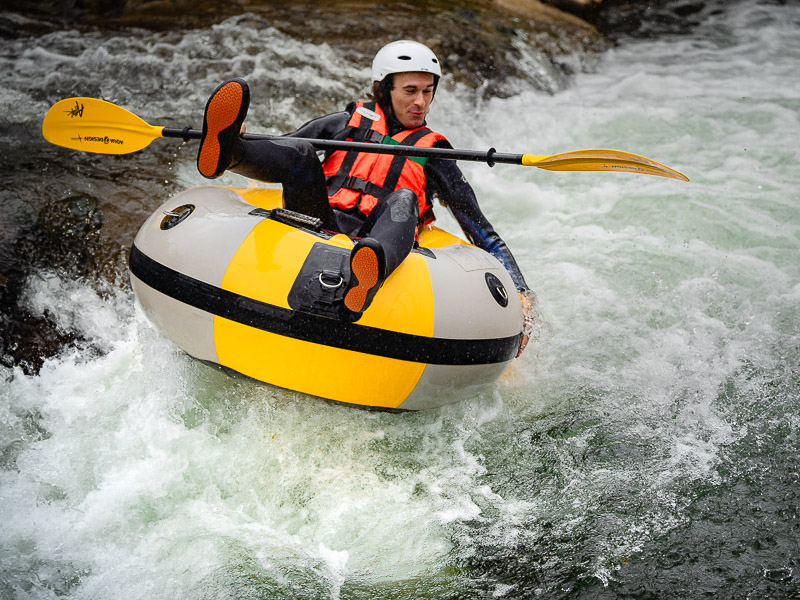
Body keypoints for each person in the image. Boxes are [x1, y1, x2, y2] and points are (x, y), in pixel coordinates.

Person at [196, 40, 536, 355]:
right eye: (410, 91)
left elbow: (483, 233)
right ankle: (228, 152)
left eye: (428, 92)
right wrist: (245, 144)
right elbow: (283, 152)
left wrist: (521, 291)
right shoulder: (348, 122)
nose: (420, 102)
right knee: (301, 152)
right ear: (385, 89)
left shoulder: (435, 153)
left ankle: (368, 277)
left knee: (405, 197)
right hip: (316, 222)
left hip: (378, 240)